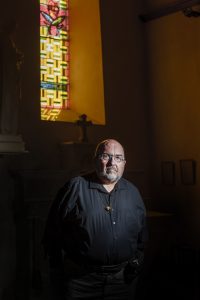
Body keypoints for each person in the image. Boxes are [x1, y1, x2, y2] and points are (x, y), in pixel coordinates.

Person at [42, 139, 148, 300]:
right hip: (80, 281)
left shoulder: (133, 192)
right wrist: (58, 270)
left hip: (122, 281)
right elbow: (52, 231)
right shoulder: (75, 187)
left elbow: (142, 235)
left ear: (124, 163)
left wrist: (136, 264)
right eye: (106, 156)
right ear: (95, 160)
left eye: (118, 157)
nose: (113, 162)